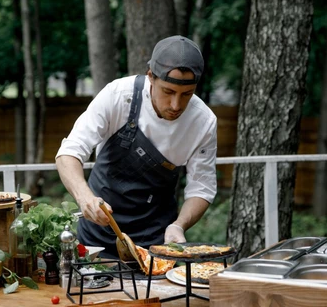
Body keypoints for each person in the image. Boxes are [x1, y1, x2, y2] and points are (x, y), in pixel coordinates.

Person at [55, 35, 217, 259]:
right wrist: (85, 199)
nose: (176, 105)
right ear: (151, 77)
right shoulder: (119, 96)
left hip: (154, 242)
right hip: (96, 237)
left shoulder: (203, 122)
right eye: (168, 92)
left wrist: (179, 225)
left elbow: (202, 187)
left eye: (186, 94)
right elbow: (69, 153)